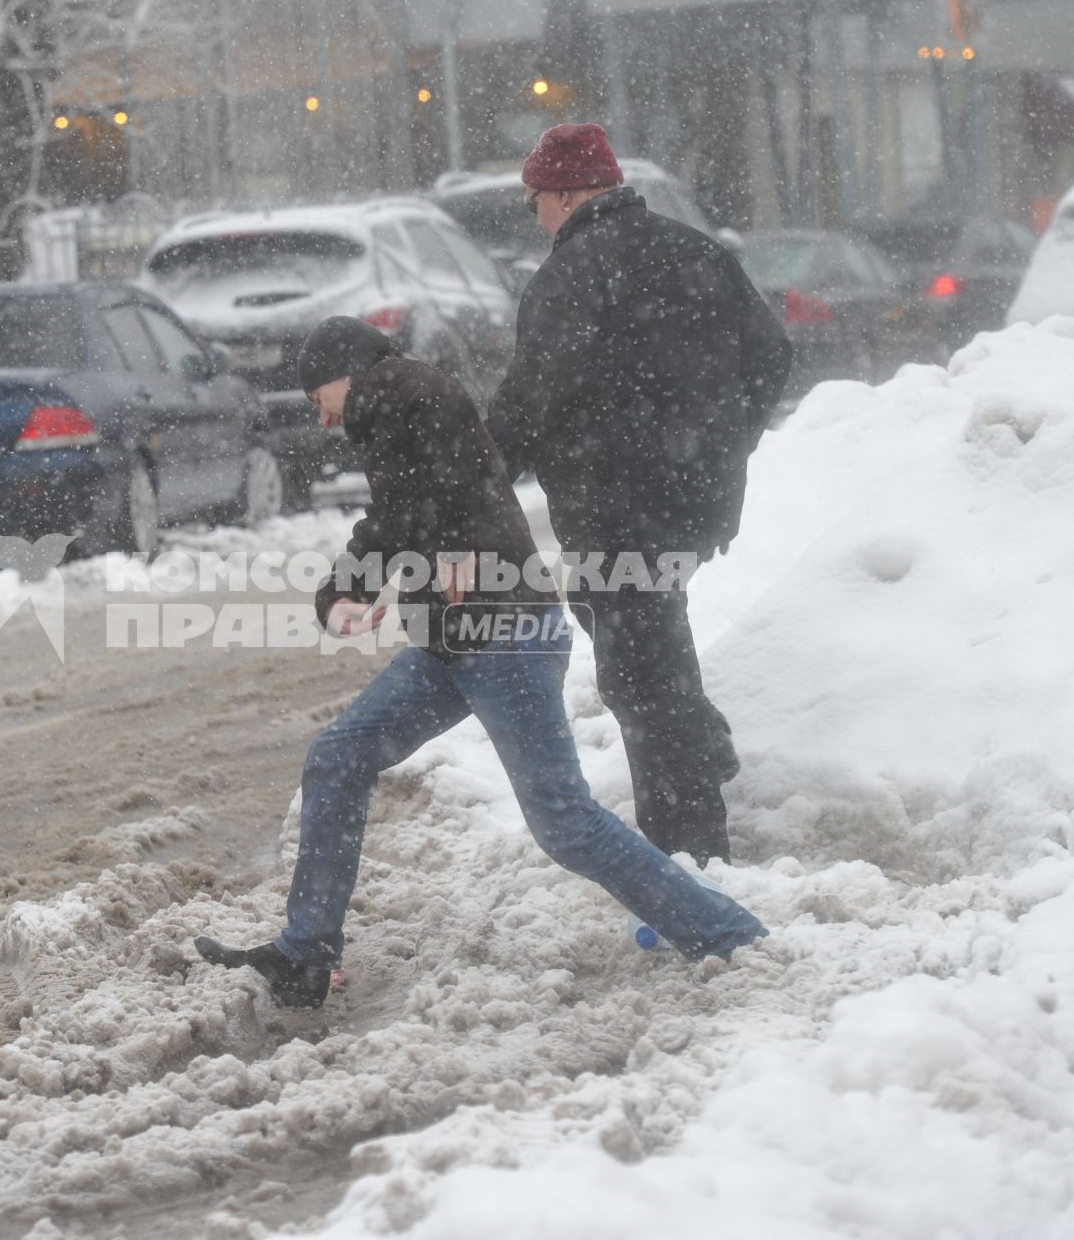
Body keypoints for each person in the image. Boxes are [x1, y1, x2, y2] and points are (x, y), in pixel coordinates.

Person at [195, 317, 768, 1007]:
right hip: (450, 641)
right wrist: (339, 594)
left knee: (564, 820)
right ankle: (307, 953)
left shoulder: (411, 391)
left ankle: (726, 931)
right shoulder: (388, 422)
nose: (320, 418)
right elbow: (397, 517)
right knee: (338, 753)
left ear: (345, 369)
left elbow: (457, 470)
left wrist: (459, 545)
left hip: (508, 635)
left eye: (317, 396)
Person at [487, 123, 793, 868]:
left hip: (614, 509)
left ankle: (690, 856)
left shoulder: (569, 278)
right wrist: (723, 442)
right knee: (646, 650)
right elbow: (772, 354)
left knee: (641, 676)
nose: (537, 219)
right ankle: (700, 756)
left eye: (536, 203)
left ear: (563, 195)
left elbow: (532, 399)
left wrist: (479, 471)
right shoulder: (698, 252)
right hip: (696, 502)